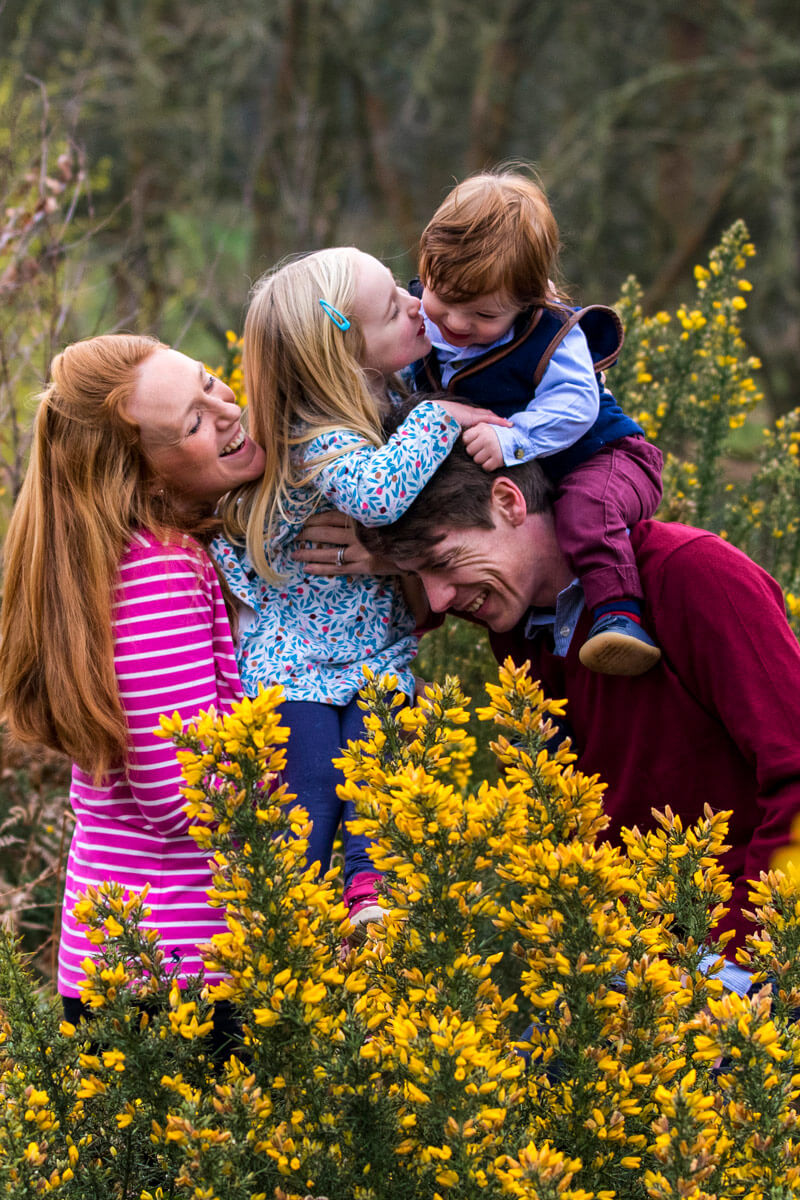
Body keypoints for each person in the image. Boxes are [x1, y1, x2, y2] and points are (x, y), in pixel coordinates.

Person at [358, 443, 800, 985]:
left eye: (444, 562)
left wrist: (743, 957)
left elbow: (795, 771)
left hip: (736, 950)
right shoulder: (522, 626)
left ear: (508, 501)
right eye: (416, 577)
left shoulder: (691, 574)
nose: (440, 598)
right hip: (624, 958)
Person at [213, 247, 509, 927]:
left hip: (375, 656)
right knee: (311, 804)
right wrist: (444, 417)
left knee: (381, 793)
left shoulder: (384, 402)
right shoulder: (313, 435)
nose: (417, 304)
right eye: (392, 308)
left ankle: (370, 909)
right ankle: (298, 935)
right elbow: (377, 497)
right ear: (344, 355)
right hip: (296, 671)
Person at [0, 334, 266, 1048]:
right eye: (191, 423)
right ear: (146, 480)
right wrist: (292, 768)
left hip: (129, 963)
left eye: (210, 382)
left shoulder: (126, 558)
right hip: (172, 974)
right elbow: (179, 794)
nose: (227, 409)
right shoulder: (159, 571)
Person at [408, 167, 664, 676]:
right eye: (446, 302)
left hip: (601, 457)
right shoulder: (420, 317)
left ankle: (619, 618)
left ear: (528, 301)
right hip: (530, 480)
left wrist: (517, 439)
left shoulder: (550, 333)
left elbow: (575, 405)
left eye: (482, 316)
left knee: (585, 513)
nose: (457, 324)